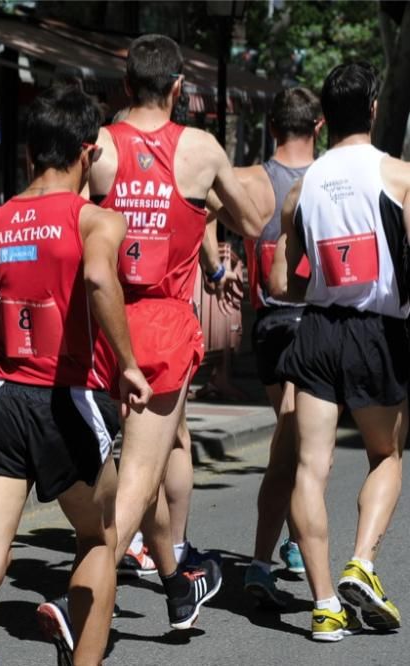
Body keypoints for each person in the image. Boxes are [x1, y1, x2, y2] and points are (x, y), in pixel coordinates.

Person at [0, 83, 151, 666]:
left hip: (4, 396)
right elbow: (96, 280)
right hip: (66, 400)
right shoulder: (97, 221)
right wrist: (131, 364)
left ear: (31, 152)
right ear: (88, 153)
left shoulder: (2, 221)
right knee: (99, 536)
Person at [87, 34, 263, 629]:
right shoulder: (203, 150)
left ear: (127, 85)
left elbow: (68, 217)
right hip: (161, 326)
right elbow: (256, 220)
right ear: (180, 89)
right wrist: (204, 207)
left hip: (100, 321)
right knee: (142, 473)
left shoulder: (101, 147)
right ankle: (81, 595)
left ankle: (176, 583)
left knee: (149, 462)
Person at [272, 62, 409, 642]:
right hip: (378, 332)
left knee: (309, 468)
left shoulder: (303, 187)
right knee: (387, 457)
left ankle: (324, 604)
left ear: (324, 117)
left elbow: (285, 281)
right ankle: (364, 563)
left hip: (318, 331)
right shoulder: (398, 176)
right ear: (374, 109)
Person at [208, 87, 321, 606]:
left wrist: (214, 265)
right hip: (316, 326)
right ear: (317, 126)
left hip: (271, 328)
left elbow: (202, 204)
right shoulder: (331, 179)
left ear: (272, 126)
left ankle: (288, 548)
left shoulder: (252, 180)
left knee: (292, 438)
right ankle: (272, 560)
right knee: (298, 449)